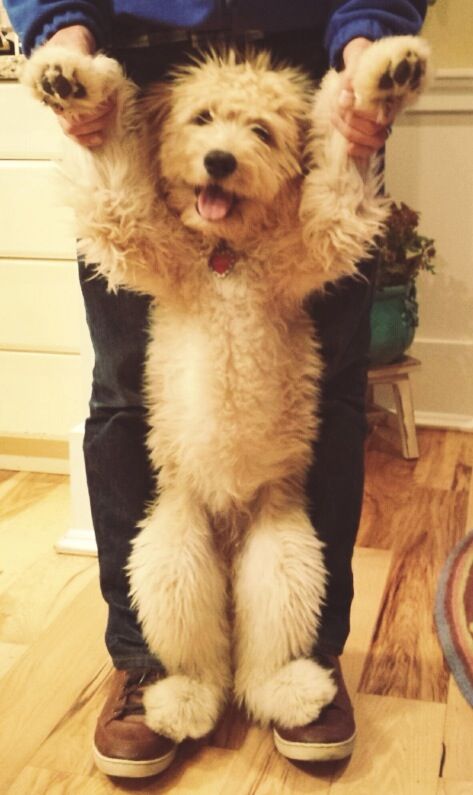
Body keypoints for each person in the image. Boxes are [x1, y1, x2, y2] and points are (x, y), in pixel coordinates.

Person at [5, 0, 427, 779]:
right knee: (131, 436)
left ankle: (292, 662)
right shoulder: (177, 256)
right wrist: (73, 55)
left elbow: (333, 225)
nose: (222, 155)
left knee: (309, 479)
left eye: (259, 137)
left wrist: (352, 105)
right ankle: (163, 669)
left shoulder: (282, 256)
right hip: (133, 47)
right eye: (202, 129)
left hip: (318, 43)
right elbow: (122, 226)